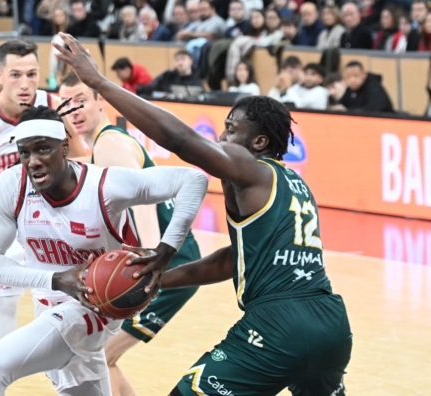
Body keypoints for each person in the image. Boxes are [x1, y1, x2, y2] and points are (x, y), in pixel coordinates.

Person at [53, 32, 352, 396]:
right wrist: (158, 280)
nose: (222, 139)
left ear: (259, 143)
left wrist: (98, 82)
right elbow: (234, 261)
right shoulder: (295, 185)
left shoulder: (251, 167)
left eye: (231, 129)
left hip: (279, 325)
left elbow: (181, 140)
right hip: (332, 327)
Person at [0, 103, 208, 396]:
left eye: (43, 149)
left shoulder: (103, 186)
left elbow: (193, 180)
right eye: (25, 152)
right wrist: (56, 280)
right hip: (48, 306)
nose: (32, 162)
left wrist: (166, 250)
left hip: (94, 307)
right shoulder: (12, 186)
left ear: (64, 147)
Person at [0, 38, 86, 393]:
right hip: (5, 239)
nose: (25, 84)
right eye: (16, 75)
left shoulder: (53, 107)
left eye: (32, 74)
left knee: (71, 329)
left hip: (51, 234)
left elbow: (85, 161)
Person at [58, 71, 202, 396]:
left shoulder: (110, 144)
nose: (74, 111)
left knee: (97, 356)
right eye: (66, 105)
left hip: (166, 267)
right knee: (99, 356)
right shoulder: (103, 145)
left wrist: (150, 267)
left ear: (100, 100)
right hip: (170, 263)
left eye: (81, 101)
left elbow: (144, 208)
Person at [136, 50, 203, 96]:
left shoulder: (197, 77)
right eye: (177, 60)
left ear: (191, 61)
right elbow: (151, 88)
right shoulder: (167, 76)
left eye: (183, 59)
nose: (180, 63)